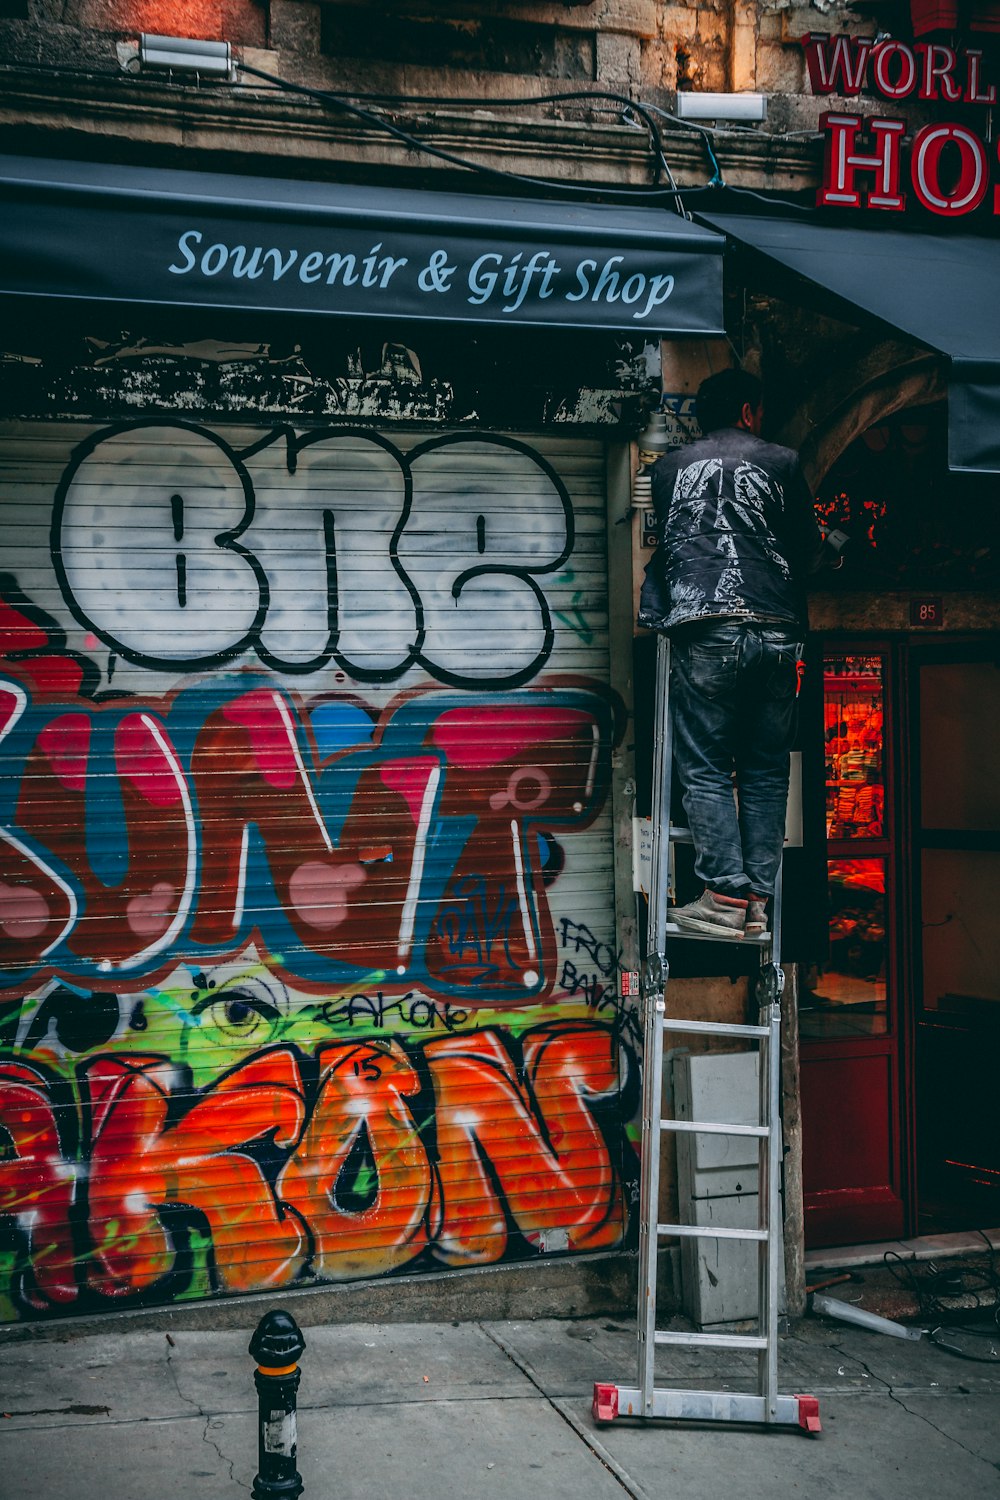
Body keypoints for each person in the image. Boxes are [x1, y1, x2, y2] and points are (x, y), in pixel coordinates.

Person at [638, 367, 837, 939]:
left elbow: (676, 541)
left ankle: (724, 894)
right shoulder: (784, 462)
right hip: (776, 630)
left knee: (703, 764)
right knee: (767, 768)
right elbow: (806, 549)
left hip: (706, 627)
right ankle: (755, 901)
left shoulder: (670, 469)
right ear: (750, 412)